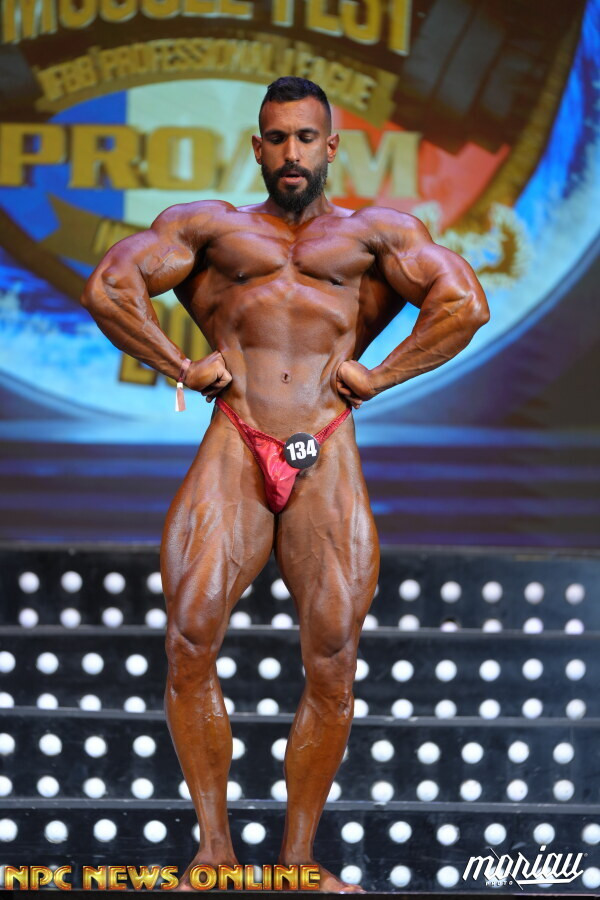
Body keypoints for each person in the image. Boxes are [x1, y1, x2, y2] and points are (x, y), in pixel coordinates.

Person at [81, 76, 489, 893]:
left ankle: (298, 862)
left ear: (331, 146)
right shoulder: (211, 230)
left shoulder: (376, 236)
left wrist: (381, 373)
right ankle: (214, 855)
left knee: (333, 658)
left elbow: (464, 304)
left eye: (306, 137)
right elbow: (109, 286)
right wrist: (179, 363)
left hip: (324, 444)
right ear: (258, 147)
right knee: (189, 638)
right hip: (236, 438)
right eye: (277, 138)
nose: (291, 152)